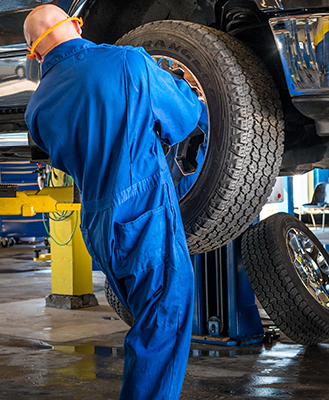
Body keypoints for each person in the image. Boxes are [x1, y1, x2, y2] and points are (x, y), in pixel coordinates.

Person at [23, 5, 207, 399]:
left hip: (99, 226)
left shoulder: (36, 109)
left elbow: (64, 151)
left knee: (150, 323)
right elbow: (186, 115)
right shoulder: (127, 62)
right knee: (162, 324)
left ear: (35, 55)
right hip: (142, 216)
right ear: (75, 24)